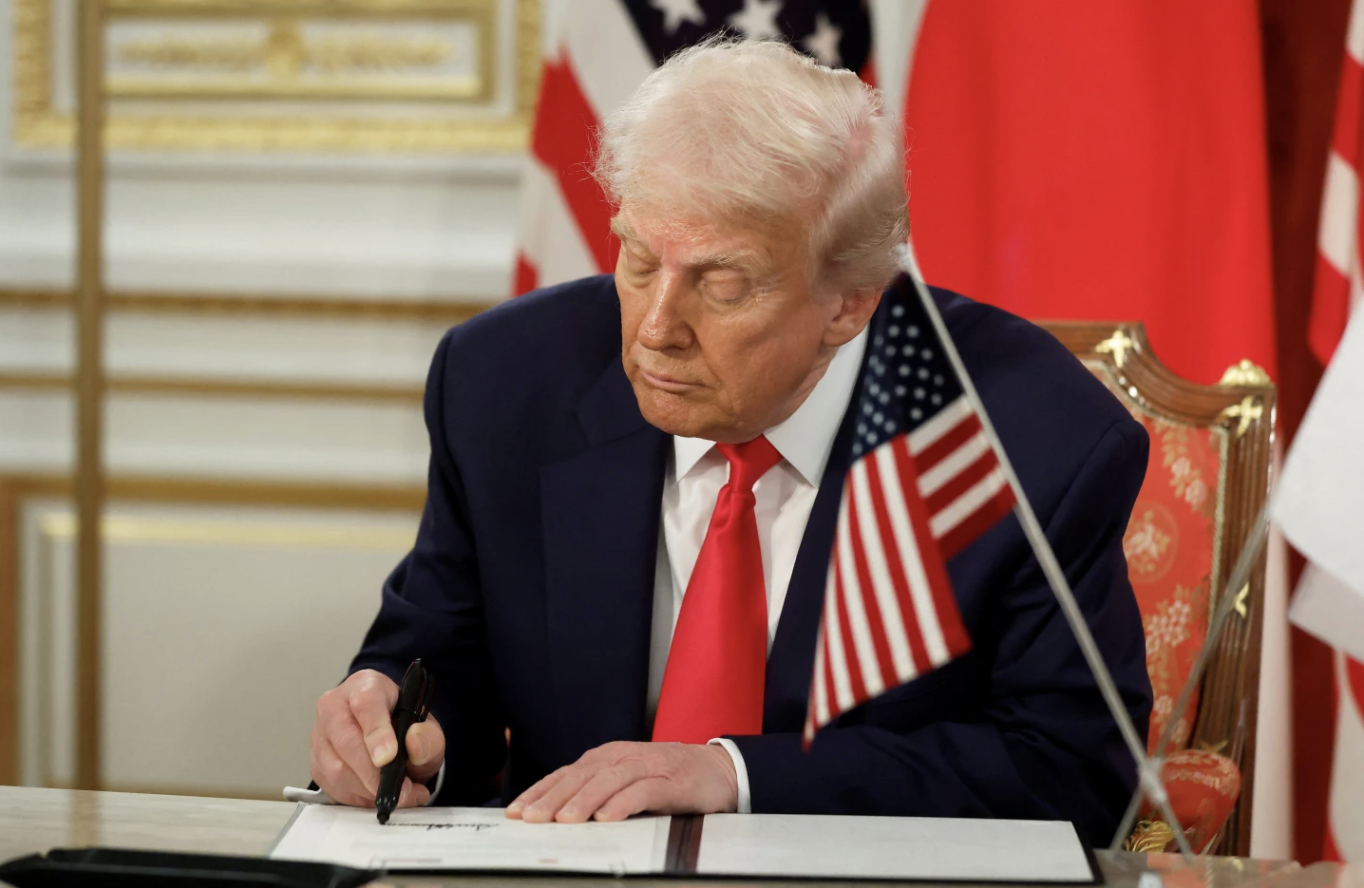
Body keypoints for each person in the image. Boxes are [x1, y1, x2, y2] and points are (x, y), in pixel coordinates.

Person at [308, 39, 1152, 847]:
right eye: (638, 260)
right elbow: (437, 659)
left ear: (850, 303)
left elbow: (1068, 771)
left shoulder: (1026, 440)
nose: (656, 329)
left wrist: (736, 775)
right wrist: (401, 731)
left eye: (723, 282)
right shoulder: (503, 384)